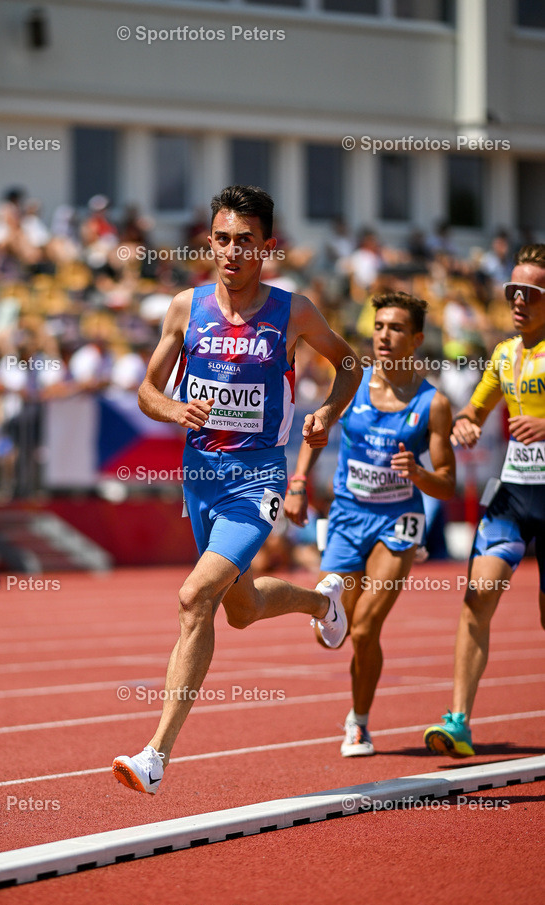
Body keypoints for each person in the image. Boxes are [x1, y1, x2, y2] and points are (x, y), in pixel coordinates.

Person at [112, 184, 361, 794]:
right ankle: (321, 604)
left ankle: (155, 756)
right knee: (241, 609)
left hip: (257, 479)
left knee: (194, 597)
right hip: (200, 477)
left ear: (266, 247)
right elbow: (146, 391)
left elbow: (350, 364)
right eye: (222, 239)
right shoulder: (185, 307)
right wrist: (175, 410)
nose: (231, 251)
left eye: (245, 241)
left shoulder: (294, 311)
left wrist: (328, 412)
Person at [285, 292, 455, 756]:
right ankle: (327, 610)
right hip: (346, 515)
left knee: (364, 629)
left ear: (416, 339)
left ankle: (358, 724)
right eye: (379, 326)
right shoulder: (352, 383)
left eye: (396, 328)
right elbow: (317, 430)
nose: (384, 335)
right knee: (329, 638)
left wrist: (418, 474)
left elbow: (447, 484)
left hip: (398, 520)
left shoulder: (433, 403)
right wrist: (298, 482)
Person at [424, 245, 545, 757]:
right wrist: (467, 425)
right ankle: (459, 723)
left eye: (530, 292)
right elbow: (472, 411)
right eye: (512, 290)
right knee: (477, 597)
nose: (517, 300)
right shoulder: (503, 354)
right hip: (513, 495)